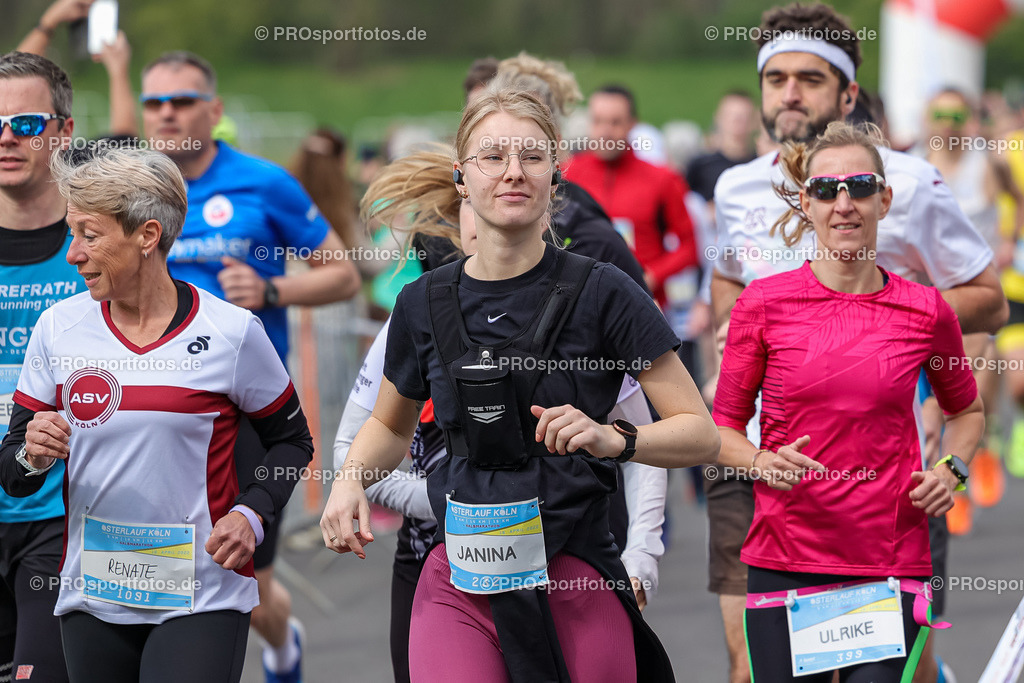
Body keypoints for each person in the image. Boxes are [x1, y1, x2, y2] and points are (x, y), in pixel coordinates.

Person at [321, 89, 719, 682]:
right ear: (461, 178)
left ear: (556, 172)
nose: (513, 171)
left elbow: (700, 435)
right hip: (460, 579)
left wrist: (613, 439)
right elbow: (386, 425)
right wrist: (350, 479)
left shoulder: (605, 290)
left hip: (575, 575)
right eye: (493, 156)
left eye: (532, 156)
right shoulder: (422, 302)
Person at [709, 5, 1007, 683]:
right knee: (741, 659)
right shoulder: (734, 188)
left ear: (847, 91)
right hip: (761, 469)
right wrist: (741, 329)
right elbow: (725, 286)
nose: (789, 94)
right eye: (776, 77)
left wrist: (874, 322)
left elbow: (987, 299)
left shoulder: (913, 188)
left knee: (904, 666)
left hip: (884, 482)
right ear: (801, 201)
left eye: (808, 79)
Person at [0, 146, 314, 683]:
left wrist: (252, 513)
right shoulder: (57, 328)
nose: (73, 254)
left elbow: (293, 442)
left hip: (203, 593)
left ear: (147, 235)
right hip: (93, 592)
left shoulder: (231, 333)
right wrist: (31, 454)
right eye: (72, 233)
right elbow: (12, 468)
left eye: (89, 235)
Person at [139, 50, 360, 683]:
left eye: (182, 100)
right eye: (154, 102)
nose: (167, 112)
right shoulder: (130, 190)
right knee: (144, 565)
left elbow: (343, 274)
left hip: (245, 416)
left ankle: (281, 641)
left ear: (215, 110)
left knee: (246, 578)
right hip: (148, 410)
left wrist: (273, 292)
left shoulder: (264, 184)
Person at [0, 50, 79, 683]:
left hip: (61, 517)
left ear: (64, 132)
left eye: (26, 124)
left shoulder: (98, 243)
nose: (6, 137)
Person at [923, 87, 1024, 525]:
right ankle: (955, 477)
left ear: (968, 117)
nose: (949, 122)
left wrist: (1007, 240)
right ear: (930, 117)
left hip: (979, 288)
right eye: (941, 113)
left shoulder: (989, 160)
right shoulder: (918, 164)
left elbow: (1017, 200)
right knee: (941, 391)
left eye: (957, 114)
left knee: (975, 385)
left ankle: (978, 453)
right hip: (934, 289)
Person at [564, 84, 698, 306]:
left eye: (615, 122)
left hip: (642, 303)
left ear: (633, 125)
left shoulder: (663, 178)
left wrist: (653, 275)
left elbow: (690, 246)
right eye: (598, 121)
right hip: (579, 302)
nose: (605, 131)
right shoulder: (568, 173)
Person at [686, 90, 758, 206]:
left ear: (755, 121)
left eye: (744, 117)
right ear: (718, 118)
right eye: (731, 116)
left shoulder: (762, 165)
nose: (737, 123)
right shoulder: (700, 166)